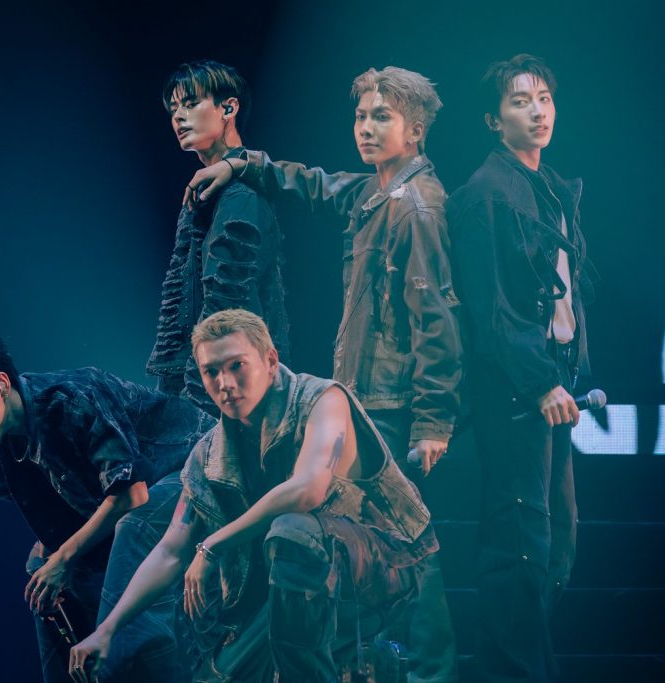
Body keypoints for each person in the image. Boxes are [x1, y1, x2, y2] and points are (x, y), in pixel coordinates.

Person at [184, 66, 461, 682]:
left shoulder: (416, 206)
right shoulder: (375, 193)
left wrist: (433, 420)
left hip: (392, 402)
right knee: (357, 544)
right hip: (364, 395)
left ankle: (431, 673)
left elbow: (436, 318)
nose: (366, 127)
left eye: (382, 116)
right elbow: (313, 184)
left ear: (415, 130)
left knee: (405, 540)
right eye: (361, 116)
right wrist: (243, 164)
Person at [69, 309, 438, 683]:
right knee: (215, 678)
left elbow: (307, 490)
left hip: (388, 566)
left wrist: (212, 545)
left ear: (271, 361)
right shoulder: (208, 456)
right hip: (293, 594)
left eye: (237, 366)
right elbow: (169, 551)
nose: (225, 383)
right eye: (211, 372)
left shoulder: (322, 400)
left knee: (292, 532)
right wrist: (107, 630)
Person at [0, 328, 215, 683]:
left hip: (189, 469)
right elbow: (51, 524)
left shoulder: (72, 400)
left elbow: (132, 494)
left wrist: (63, 558)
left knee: (129, 530)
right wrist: (50, 568)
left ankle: (121, 655)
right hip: (126, 501)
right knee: (42, 573)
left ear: (0, 384)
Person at [446, 54, 595, 682]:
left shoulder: (547, 186)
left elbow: (564, 291)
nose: (538, 111)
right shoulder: (485, 193)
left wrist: (566, 371)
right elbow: (492, 310)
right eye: (520, 101)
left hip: (549, 382)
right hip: (515, 391)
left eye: (545, 99)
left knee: (555, 544)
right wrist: (539, 382)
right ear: (493, 119)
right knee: (518, 548)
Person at [148, 60, 290, 417]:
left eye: (190, 103)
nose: (178, 117)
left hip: (223, 388)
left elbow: (227, 304)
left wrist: (198, 393)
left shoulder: (241, 192)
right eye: (174, 109)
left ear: (228, 108)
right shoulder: (206, 191)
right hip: (201, 380)